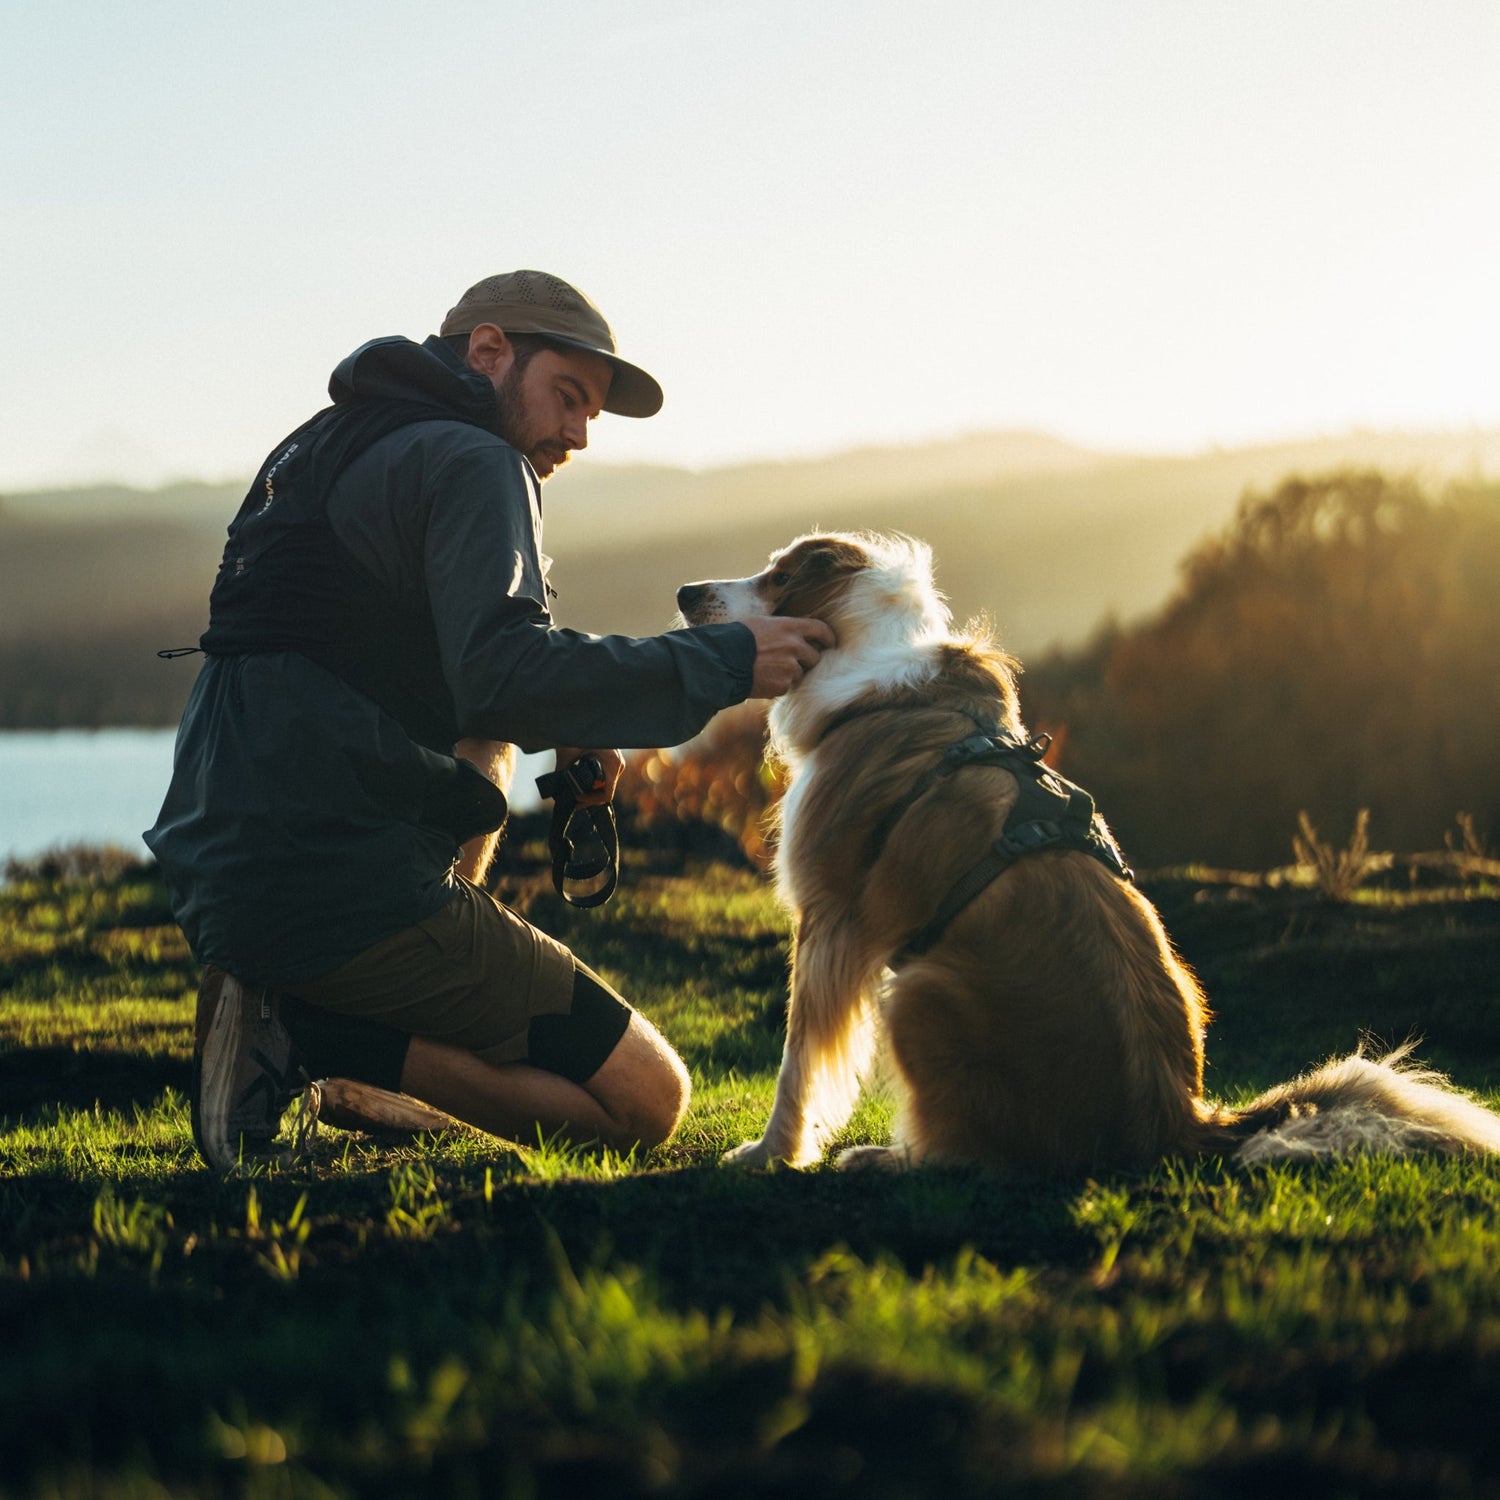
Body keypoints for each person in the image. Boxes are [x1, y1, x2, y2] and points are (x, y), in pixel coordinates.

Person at [146, 269, 833, 1172]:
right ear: (489, 352)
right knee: (647, 1101)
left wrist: (577, 711)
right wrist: (727, 659)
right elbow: (505, 672)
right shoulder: (480, 461)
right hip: (331, 885)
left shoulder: (325, 445)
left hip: (222, 864)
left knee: (492, 732)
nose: (581, 434)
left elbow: (460, 673)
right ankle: (315, 1032)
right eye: (568, 397)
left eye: (591, 414)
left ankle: (326, 1009)